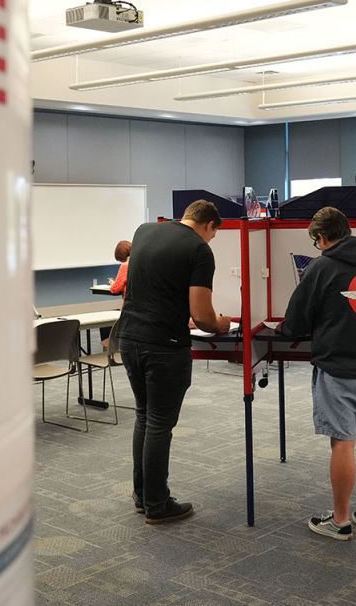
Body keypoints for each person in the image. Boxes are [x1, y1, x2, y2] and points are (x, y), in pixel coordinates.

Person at [281, 207, 356, 541]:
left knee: (342, 443)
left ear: (321, 238)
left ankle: (342, 519)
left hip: (338, 369)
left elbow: (296, 322)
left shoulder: (321, 268)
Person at [116, 200, 232, 523]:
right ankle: (157, 504)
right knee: (159, 423)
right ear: (210, 225)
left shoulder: (145, 231)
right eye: (214, 234)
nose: (211, 240)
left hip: (129, 339)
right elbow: (203, 316)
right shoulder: (199, 250)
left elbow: (152, 283)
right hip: (164, 347)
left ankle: (142, 496)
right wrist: (221, 323)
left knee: (144, 416)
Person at [99, 239, 131, 349]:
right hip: (143, 308)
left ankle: (108, 346)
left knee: (104, 321)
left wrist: (113, 283)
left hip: (128, 309)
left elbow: (116, 289)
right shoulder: (142, 262)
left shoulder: (125, 266)